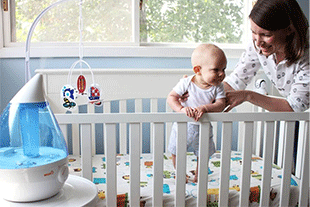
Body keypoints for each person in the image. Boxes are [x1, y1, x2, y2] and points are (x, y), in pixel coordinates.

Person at [223, 0, 309, 112]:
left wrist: (248, 96)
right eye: (253, 32)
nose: (258, 43)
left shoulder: (307, 53)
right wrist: (202, 91)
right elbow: (236, 81)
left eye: (266, 34)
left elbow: (295, 106)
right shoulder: (259, 45)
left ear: (289, 29)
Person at [167, 43, 227, 183]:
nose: (222, 74)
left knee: (203, 153)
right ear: (198, 70)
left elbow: (221, 104)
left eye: (224, 69)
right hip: (183, 126)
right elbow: (171, 97)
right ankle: (180, 173)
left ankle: (199, 175)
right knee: (176, 151)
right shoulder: (186, 83)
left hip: (203, 127)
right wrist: (181, 109)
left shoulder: (218, 87)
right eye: (216, 69)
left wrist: (204, 108)